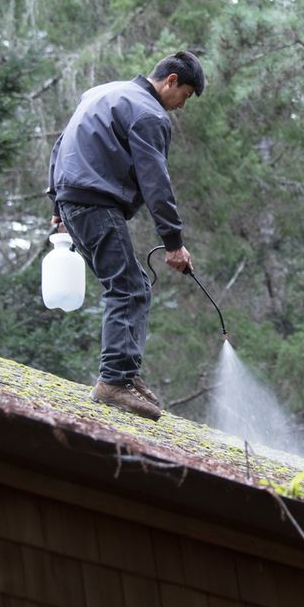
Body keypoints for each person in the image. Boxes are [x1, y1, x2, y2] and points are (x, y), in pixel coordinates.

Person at [47, 51, 203, 419]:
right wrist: (173, 243)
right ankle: (114, 382)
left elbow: (60, 145)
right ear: (171, 81)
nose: (181, 107)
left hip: (73, 201)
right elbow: (156, 183)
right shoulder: (149, 114)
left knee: (128, 285)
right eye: (186, 96)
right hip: (95, 204)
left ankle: (125, 375)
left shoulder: (102, 92)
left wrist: (57, 207)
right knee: (130, 288)